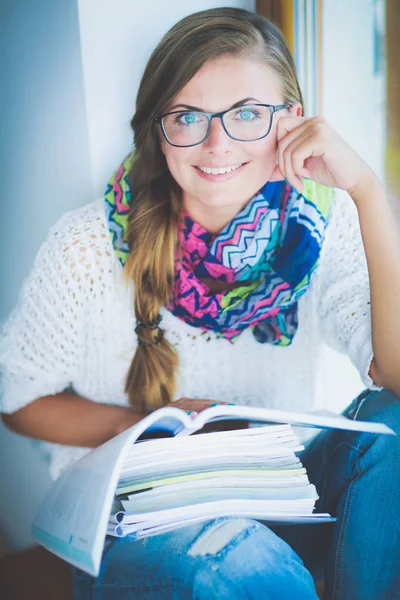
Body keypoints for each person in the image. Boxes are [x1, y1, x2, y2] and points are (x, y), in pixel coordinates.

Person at [1, 6, 400, 599]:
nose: (217, 144)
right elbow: (16, 399)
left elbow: (392, 373)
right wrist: (156, 427)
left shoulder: (321, 223)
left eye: (246, 114)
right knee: (238, 562)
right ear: (158, 130)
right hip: (146, 519)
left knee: (389, 424)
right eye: (188, 116)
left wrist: (367, 190)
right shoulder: (85, 244)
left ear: (291, 123)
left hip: (278, 490)